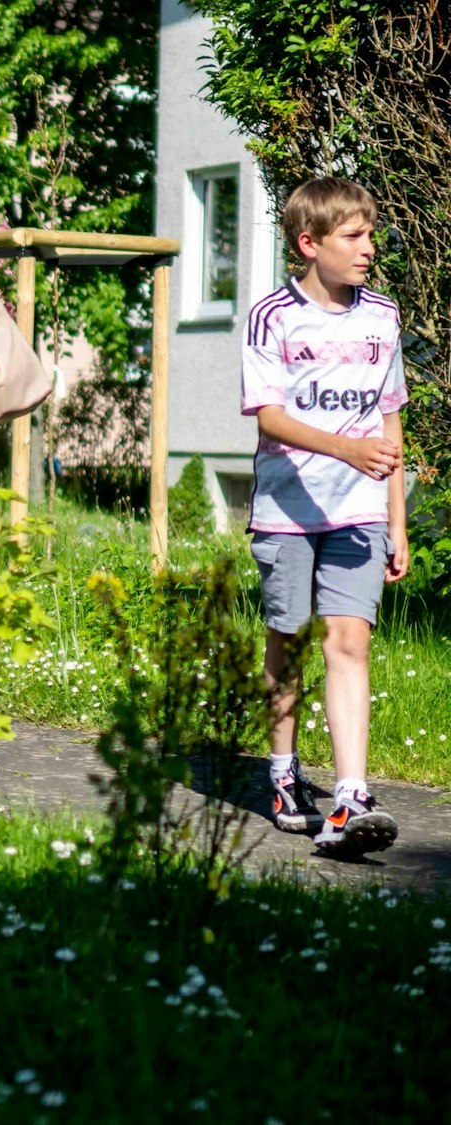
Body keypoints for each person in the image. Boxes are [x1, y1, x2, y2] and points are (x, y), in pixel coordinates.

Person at [244, 177, 407, 856]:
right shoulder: (271, 315)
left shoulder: (383, 316)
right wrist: (346, 448)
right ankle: (283, 772)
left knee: (350, 641)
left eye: (370, 234)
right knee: (288, 637)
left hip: (360, 509)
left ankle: (349, 796)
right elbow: (271, 417)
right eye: (353, 236)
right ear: (309, 243)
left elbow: (390, 418)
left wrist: (397, 517)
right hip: (286, 506)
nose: (368, 247)